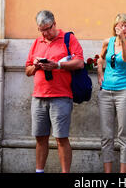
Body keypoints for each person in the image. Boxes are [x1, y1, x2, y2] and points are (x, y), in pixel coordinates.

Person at [25, 10, 84, 173]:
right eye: (41, 30)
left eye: (48, 29)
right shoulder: (37, 42)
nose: (45, 33)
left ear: (54, 23)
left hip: (61, 97)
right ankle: (39, 171)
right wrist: (36, 66)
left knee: (61, 138)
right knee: (40, 138)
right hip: (38, 97)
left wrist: (57, 65)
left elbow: (79, 62)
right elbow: (27, 70)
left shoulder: (68, 39)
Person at [97, 13, 126, 173]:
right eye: (120, 25)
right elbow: (100, 58)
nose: (123, 28)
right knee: (106, 136)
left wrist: (122, 39)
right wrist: (100, 72)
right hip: (106, 93)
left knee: (124, 136)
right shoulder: (107, 42)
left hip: (124, 92)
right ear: (114, 27)